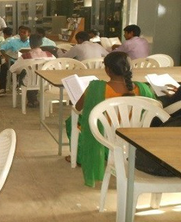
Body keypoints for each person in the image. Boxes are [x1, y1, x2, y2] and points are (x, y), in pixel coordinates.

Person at [68, 52, 156, 187]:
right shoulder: (143, 89)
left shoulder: (96, 88)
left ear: (107, 70)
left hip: (105, 132)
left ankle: (79, 158)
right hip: (132, 134)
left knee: (71, 122)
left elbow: (78, 107)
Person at [9, 34, 55, 107]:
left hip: (29, 82)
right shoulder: (50, 55)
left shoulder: (25, 57)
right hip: (45, 81)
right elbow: (55, 67)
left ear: (30, 43)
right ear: (41, 43)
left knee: (26, 76)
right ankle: (33, 100)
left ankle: (32, 100)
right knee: (34, 77)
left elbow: (12, 69)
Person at [0, 26, 31, 96]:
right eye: (20, 32)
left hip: (26, 62)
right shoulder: (13, 41)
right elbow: (2, 48)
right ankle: (2, 88)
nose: (22, 34)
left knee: (26, 69)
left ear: (28, 34)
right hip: (14, 60)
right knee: (3, 67)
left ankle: (20, 85)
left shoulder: (31, 42)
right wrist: (6, 56)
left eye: (24, 32)